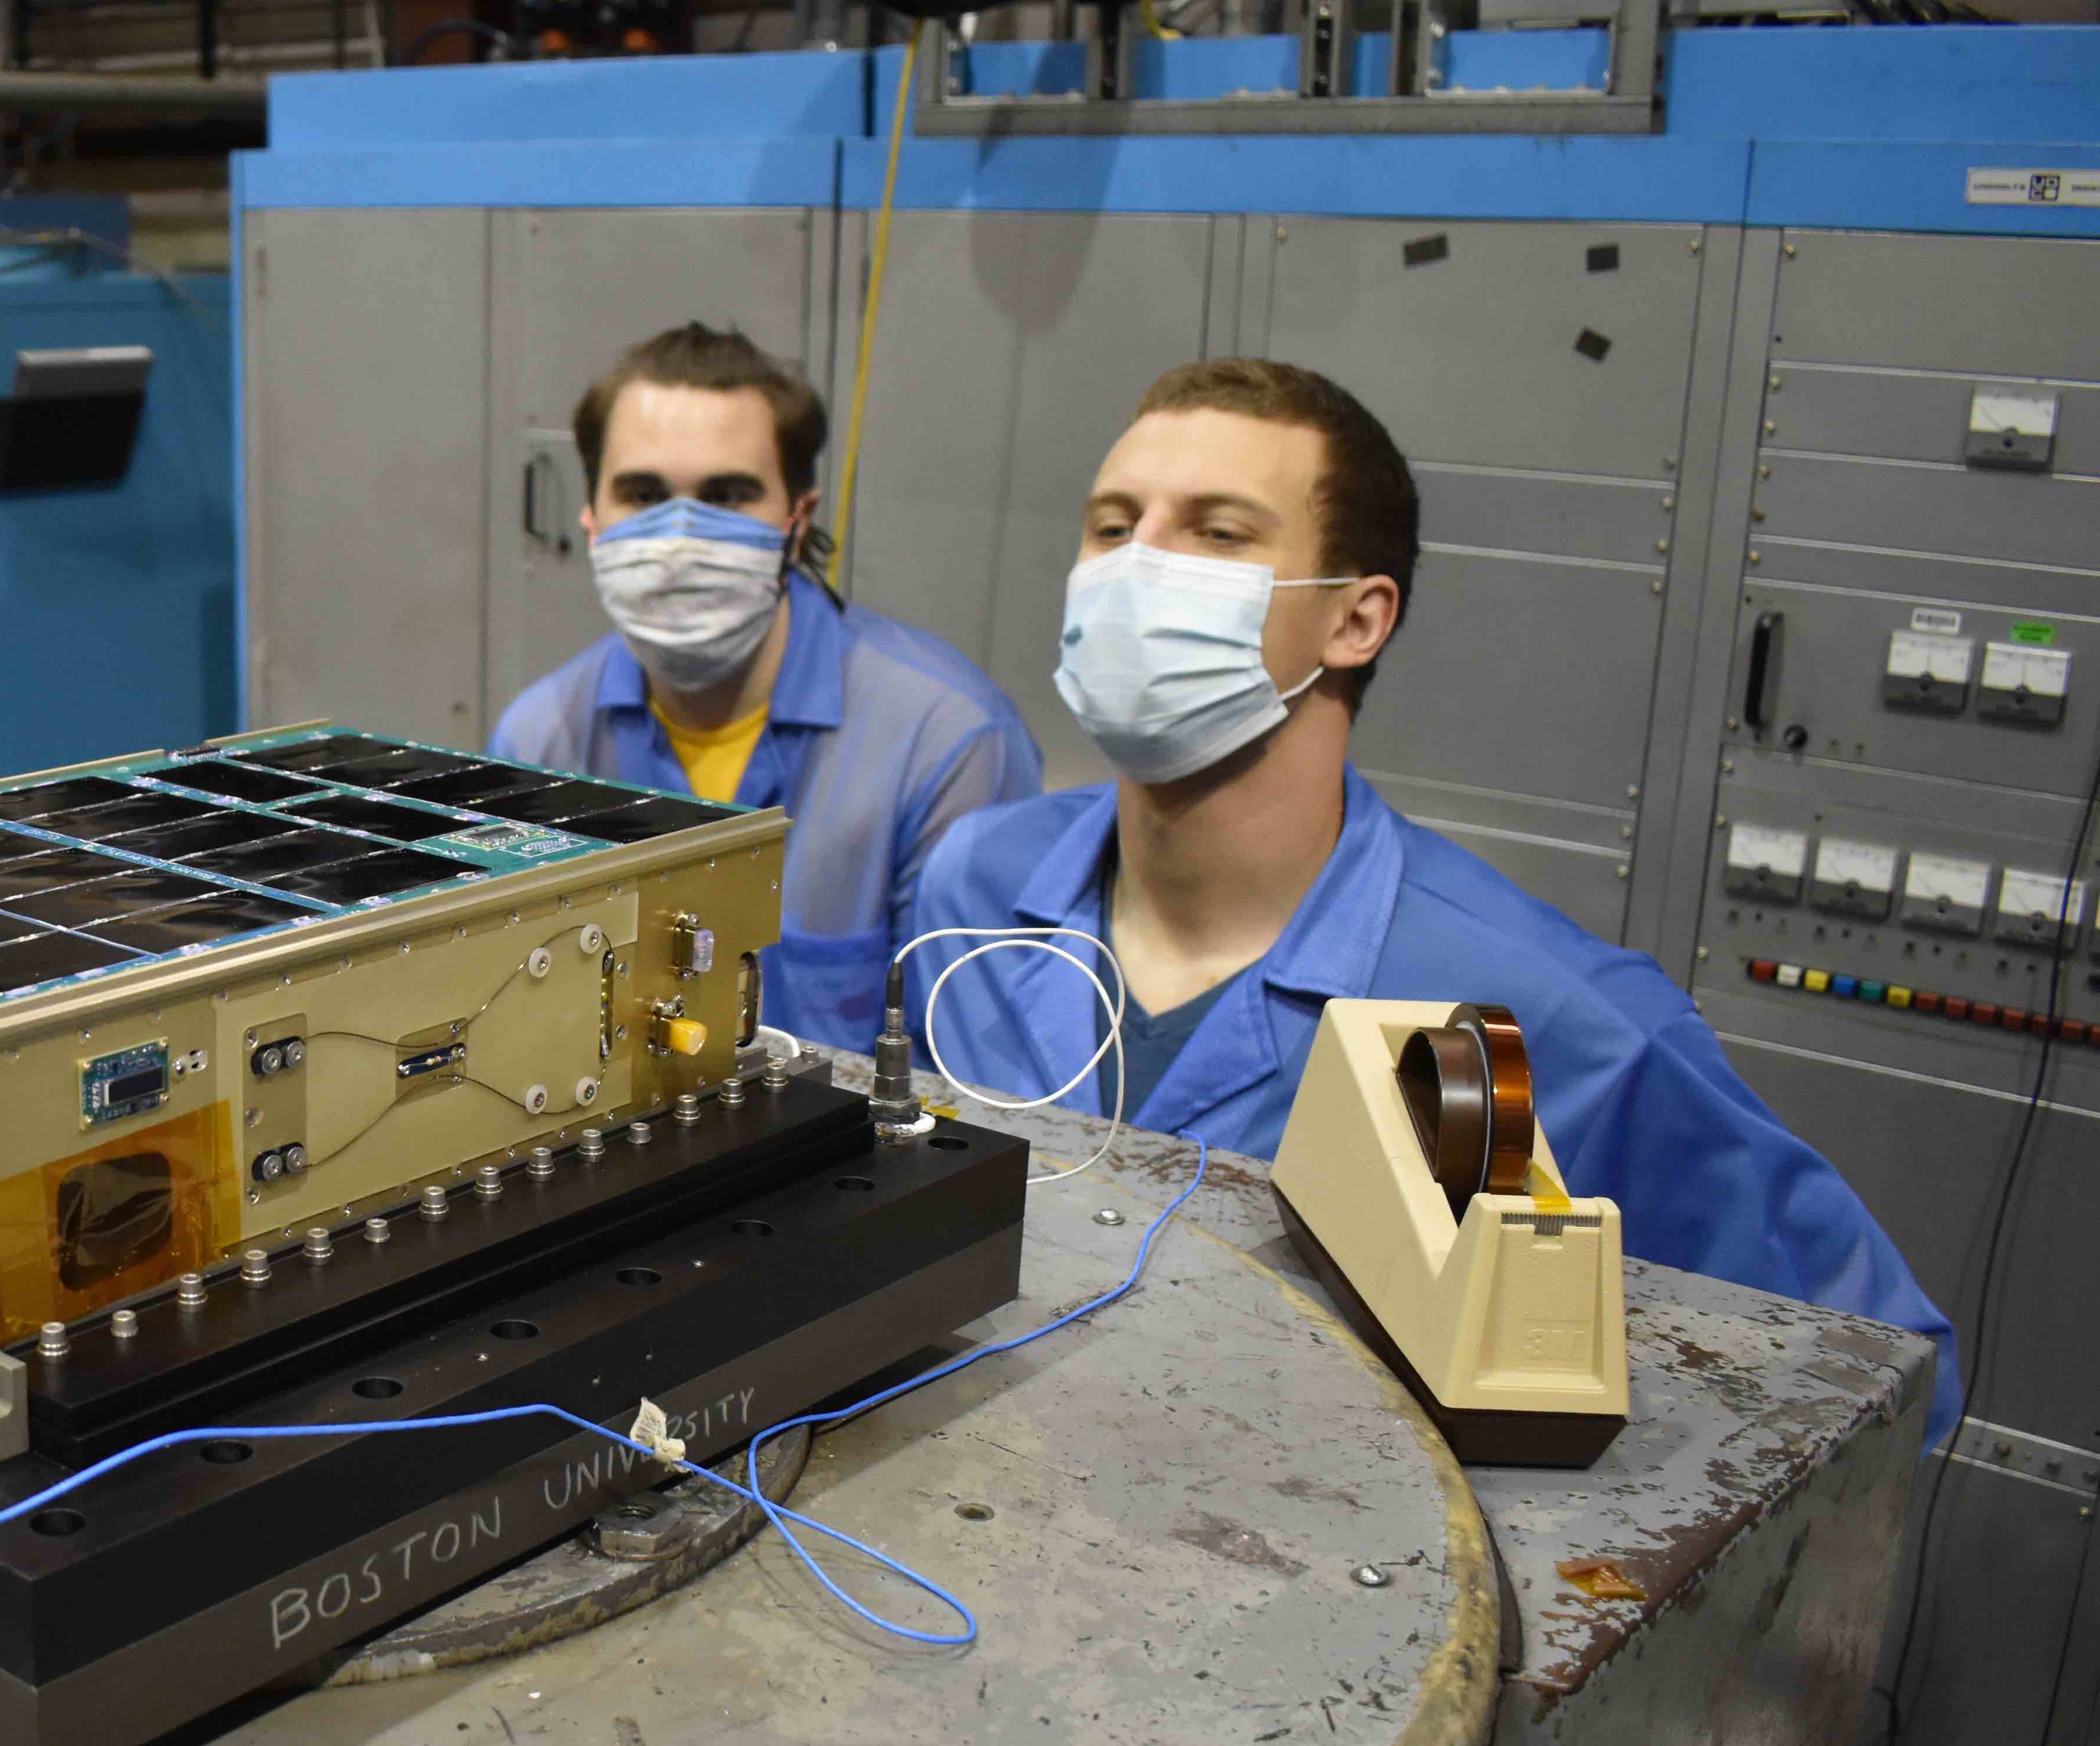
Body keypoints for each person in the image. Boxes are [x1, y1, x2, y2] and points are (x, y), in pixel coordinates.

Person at [908, 356, 1959, 1443]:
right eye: (1114, 526)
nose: (1139, 568)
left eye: (1218, 533)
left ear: (1356, 621)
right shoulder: (974, 885)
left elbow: (1882, 1376)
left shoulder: (1552, 1019)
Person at [492, 323, 1040, 1050]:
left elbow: (971, 1077)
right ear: (592, 519)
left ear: (796, 521)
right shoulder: (537, 743)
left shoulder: (949, 745)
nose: (681, 536)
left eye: (727, 495)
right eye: (643, 493)